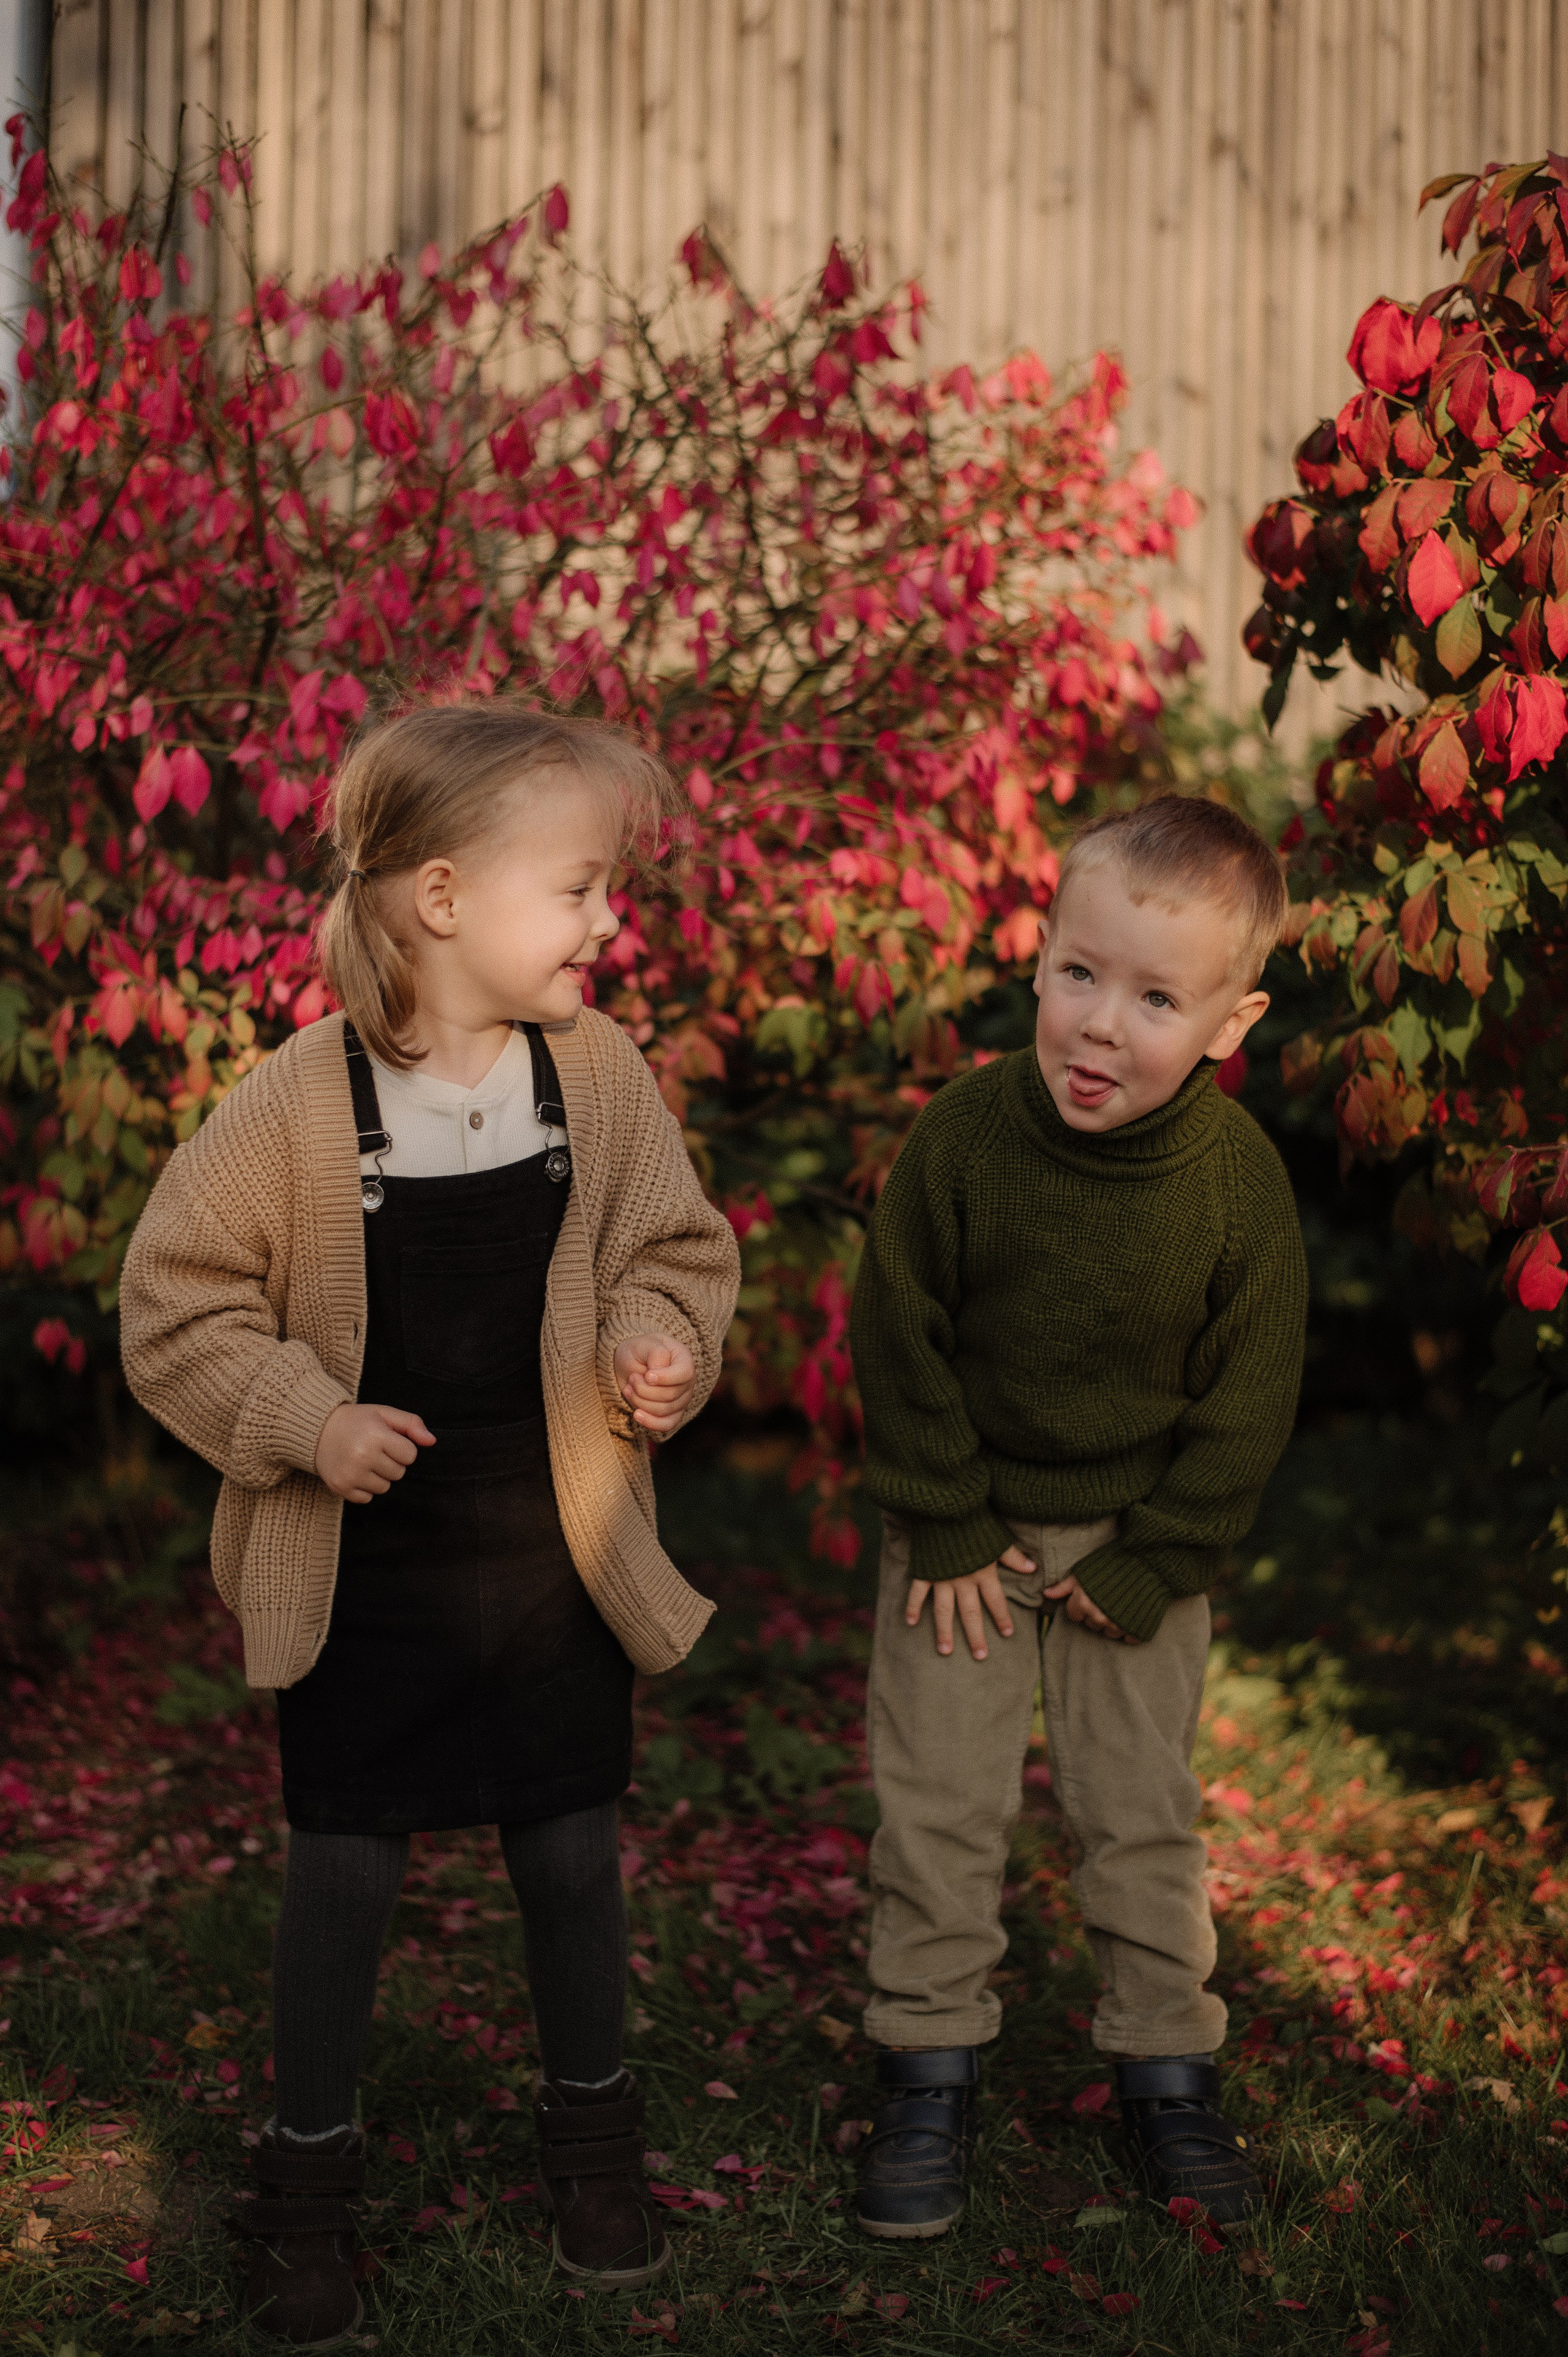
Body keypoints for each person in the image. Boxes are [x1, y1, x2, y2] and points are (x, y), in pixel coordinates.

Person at [119, 703, 740, 2345]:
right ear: (445, 897)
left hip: (551, 1557)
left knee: (570, 1848)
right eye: (585, 889)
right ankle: (304, 2182)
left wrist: (657, 1345)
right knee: (344, 1859)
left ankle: (595, 2145)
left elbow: (675, 1249)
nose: (612, 924)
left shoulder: (593, 1079)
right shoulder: (296, 1108)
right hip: (368, 1570)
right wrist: (298, 1420)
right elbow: (175, 1305)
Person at [847, 794, 1309, 2239]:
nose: (1100, 1025)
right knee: (936, 1803)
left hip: (1134, 1544)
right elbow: (896, 1316)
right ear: (1039, 957)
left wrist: (1164, 1551)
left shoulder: (1234, 1188)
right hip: (963, 1539)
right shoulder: (969, 1135)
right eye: (1077, 975)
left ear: (1230, 1025)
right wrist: (942, 1514)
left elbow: (1250, 1393)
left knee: (1138, 1814)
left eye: (1155, 998)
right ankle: (926, 2063)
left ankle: (1165, 2071)